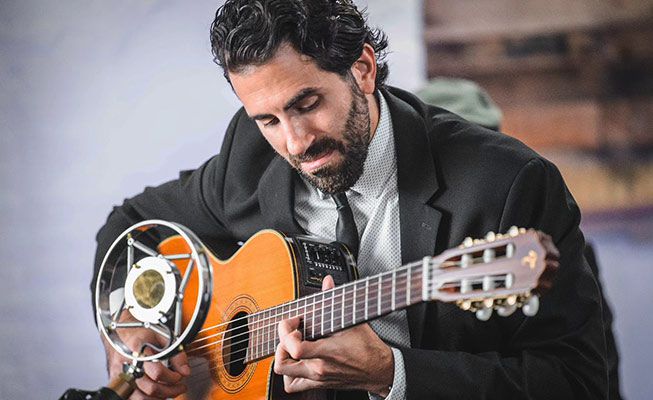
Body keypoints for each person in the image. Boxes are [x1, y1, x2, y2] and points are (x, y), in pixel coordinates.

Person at [92, 0, 609, 399]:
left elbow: (577, 383)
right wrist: (129, 328)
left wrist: (391, 372)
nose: (295, 142)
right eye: (268, 120)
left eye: (307, 103)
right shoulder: (249, 157)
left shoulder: (507, 182)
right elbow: (131, 222)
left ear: (362, 68)